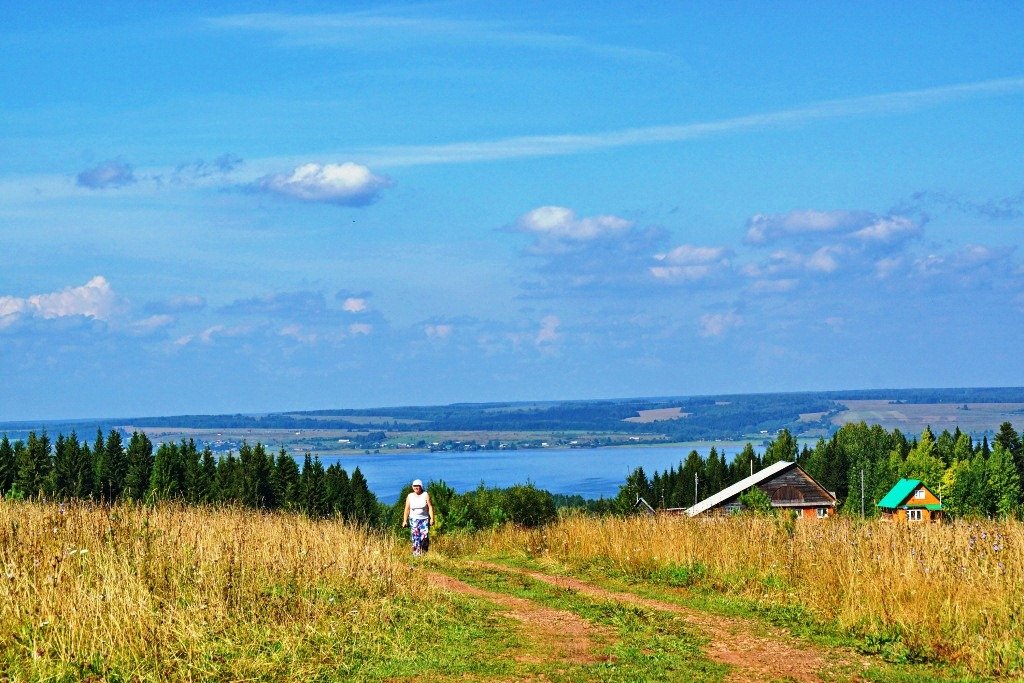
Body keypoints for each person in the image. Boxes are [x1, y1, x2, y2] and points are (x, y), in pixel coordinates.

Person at [402, 479, 434, 556]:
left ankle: (424, 553)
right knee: (416, 537)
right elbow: (407, 509)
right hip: (414, 520)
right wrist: (405, 520)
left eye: (417, 486)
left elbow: (430, 507)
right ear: (412, 487)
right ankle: (416, 554)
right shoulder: (410, 496)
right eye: (414, 486)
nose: (416, 487)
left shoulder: (425, 494)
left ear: (421, 486)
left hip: (424, 520)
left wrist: (432, 518)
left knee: (424, 537)